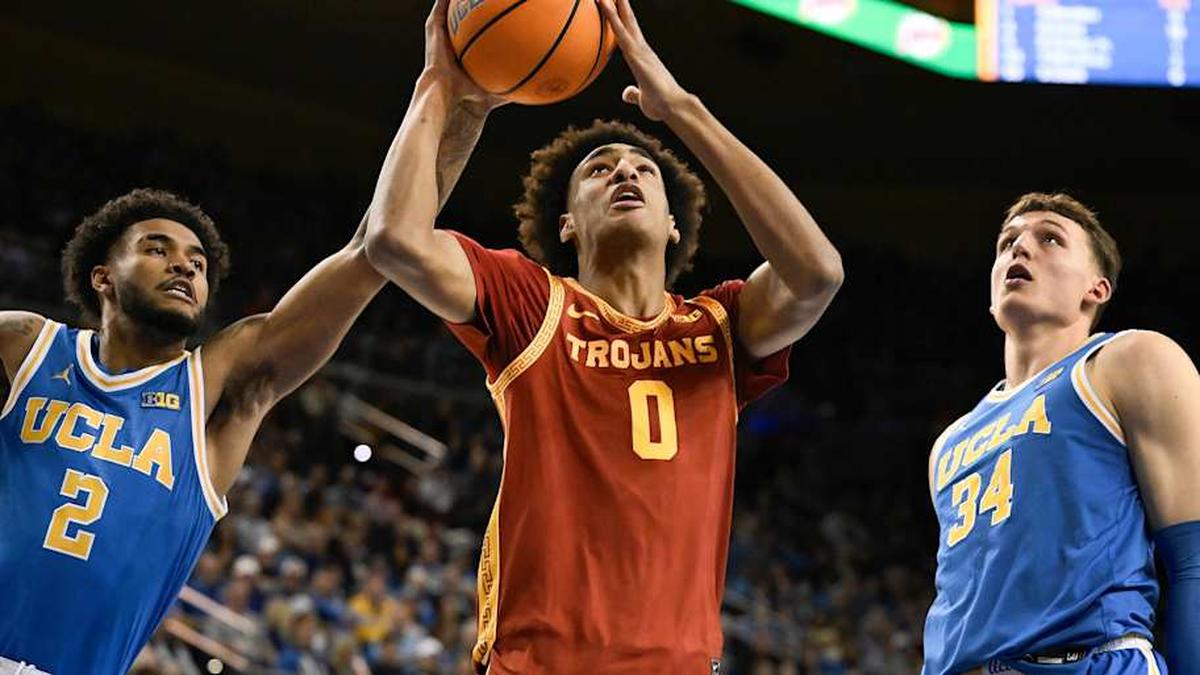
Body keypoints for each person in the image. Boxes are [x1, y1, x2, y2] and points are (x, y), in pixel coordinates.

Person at [363, 0, 843, 672]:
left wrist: (678, 109)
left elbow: (818, 273)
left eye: (643, 169)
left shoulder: (720, 327)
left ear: (675, 224)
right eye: (599, 169)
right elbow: (394, 238)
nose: (624, 171)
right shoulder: (532, 302)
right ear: (566, 224)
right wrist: (442, 89)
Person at [0, 188, 385, 674]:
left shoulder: (215, 392)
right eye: (157, 249)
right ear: (103, 277)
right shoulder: (24, 349)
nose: (184, 267)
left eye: (198, 264)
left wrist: (445, 112)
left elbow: (376, 247)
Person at [922, 193, 1200, 674]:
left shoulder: (1127, 361)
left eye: (1049, 238)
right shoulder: (948, 442)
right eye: (1007, 242)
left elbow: (1193, 557)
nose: (1019, 249)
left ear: (1096, 288)